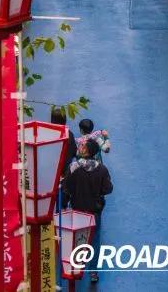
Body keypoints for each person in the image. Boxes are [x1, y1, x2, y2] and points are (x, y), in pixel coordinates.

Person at [64, 138, 113, 284]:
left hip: (78, 209)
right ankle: (93, 272)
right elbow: (108, 189)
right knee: (95, 241)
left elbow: (67, 188)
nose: (81, 147)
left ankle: (75, 267)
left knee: (77, 239)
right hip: (94, 211)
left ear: (87, 151)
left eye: (84, 146)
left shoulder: (74, 167)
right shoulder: (102, 169)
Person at [50, 106, 77, 180]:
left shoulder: (47, 133)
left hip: (50, 173)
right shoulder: (69, 134)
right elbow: (74, 152)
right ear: (64, 120)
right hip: (65, 174)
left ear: (52, 120)